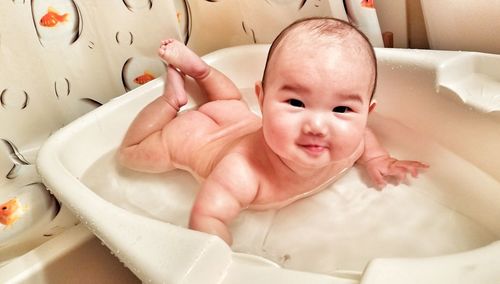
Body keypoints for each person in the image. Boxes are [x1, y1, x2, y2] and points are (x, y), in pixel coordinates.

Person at [118, 17, 428, 245]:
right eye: (296, 102)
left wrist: (378, 160)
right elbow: (207, 218)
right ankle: (172, 99)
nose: (318, 127)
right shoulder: (242, 172)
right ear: (263, 99)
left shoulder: (352, 142)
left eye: (342, 109)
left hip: (234, 115)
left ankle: (201, 71)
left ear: (366, 114)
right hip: (190, 136)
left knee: (228, 101)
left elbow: (365, 141)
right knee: (131, 154)